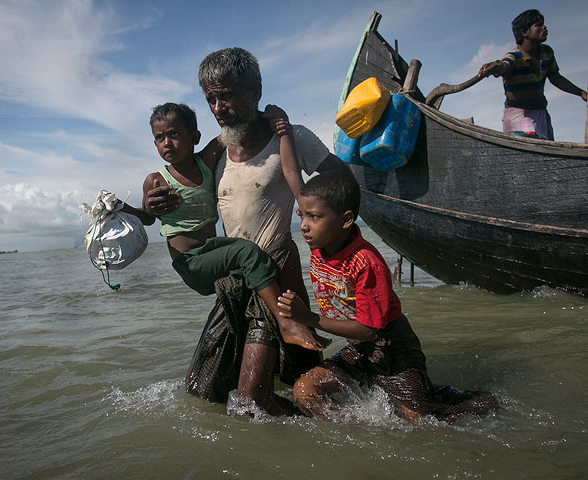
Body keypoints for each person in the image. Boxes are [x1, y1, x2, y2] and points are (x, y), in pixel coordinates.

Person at [145, 47, 352, 415]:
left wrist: (319, 224)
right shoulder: (215, 153)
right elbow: (186, 192)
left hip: (274, 272)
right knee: (206, 392)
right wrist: (158, 203)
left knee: (250, 401)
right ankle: (321, 422)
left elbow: (342, 180)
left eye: (226, 95)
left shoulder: (290, 139)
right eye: (210, 99)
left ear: (255, 90)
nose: (218, 108)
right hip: (234, 280)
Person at [277, 171, 499, 422]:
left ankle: (477, 402)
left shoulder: (365, 263)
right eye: (301, 215)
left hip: (394, 351)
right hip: (359, 351)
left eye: (314, 217)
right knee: (306, 392)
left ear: (346, 220)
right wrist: (284, 134)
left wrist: (309, 318)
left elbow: (368, 329)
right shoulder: (319, 241)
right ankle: (365, 435)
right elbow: (295, 178)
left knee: (420, 420)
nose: (304, 225)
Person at [139, 102, 328, 351]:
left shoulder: (205, 163)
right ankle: (285, 322)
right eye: (159, 138)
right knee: (245, 251)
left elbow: (236, 124)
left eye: (174, 134)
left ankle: (292, 334)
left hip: (213, 251)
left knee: (245, 255)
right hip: (190, 262)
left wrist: (275, 118)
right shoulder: (156, 180)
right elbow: (146, 217)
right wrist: (140, 208)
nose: (166, 142)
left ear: (194, 137)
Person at [478, 9, 587, 140]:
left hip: (540, 111)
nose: (544, 27)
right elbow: (504, 66)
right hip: (519, 114)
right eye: (538, 25)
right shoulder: (514, 56)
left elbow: (555, 77)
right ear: (525, 33)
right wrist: (495, 67)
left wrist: (581, 93)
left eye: (543, 24)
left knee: (547, 152)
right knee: (530, 145)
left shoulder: (547, 53)